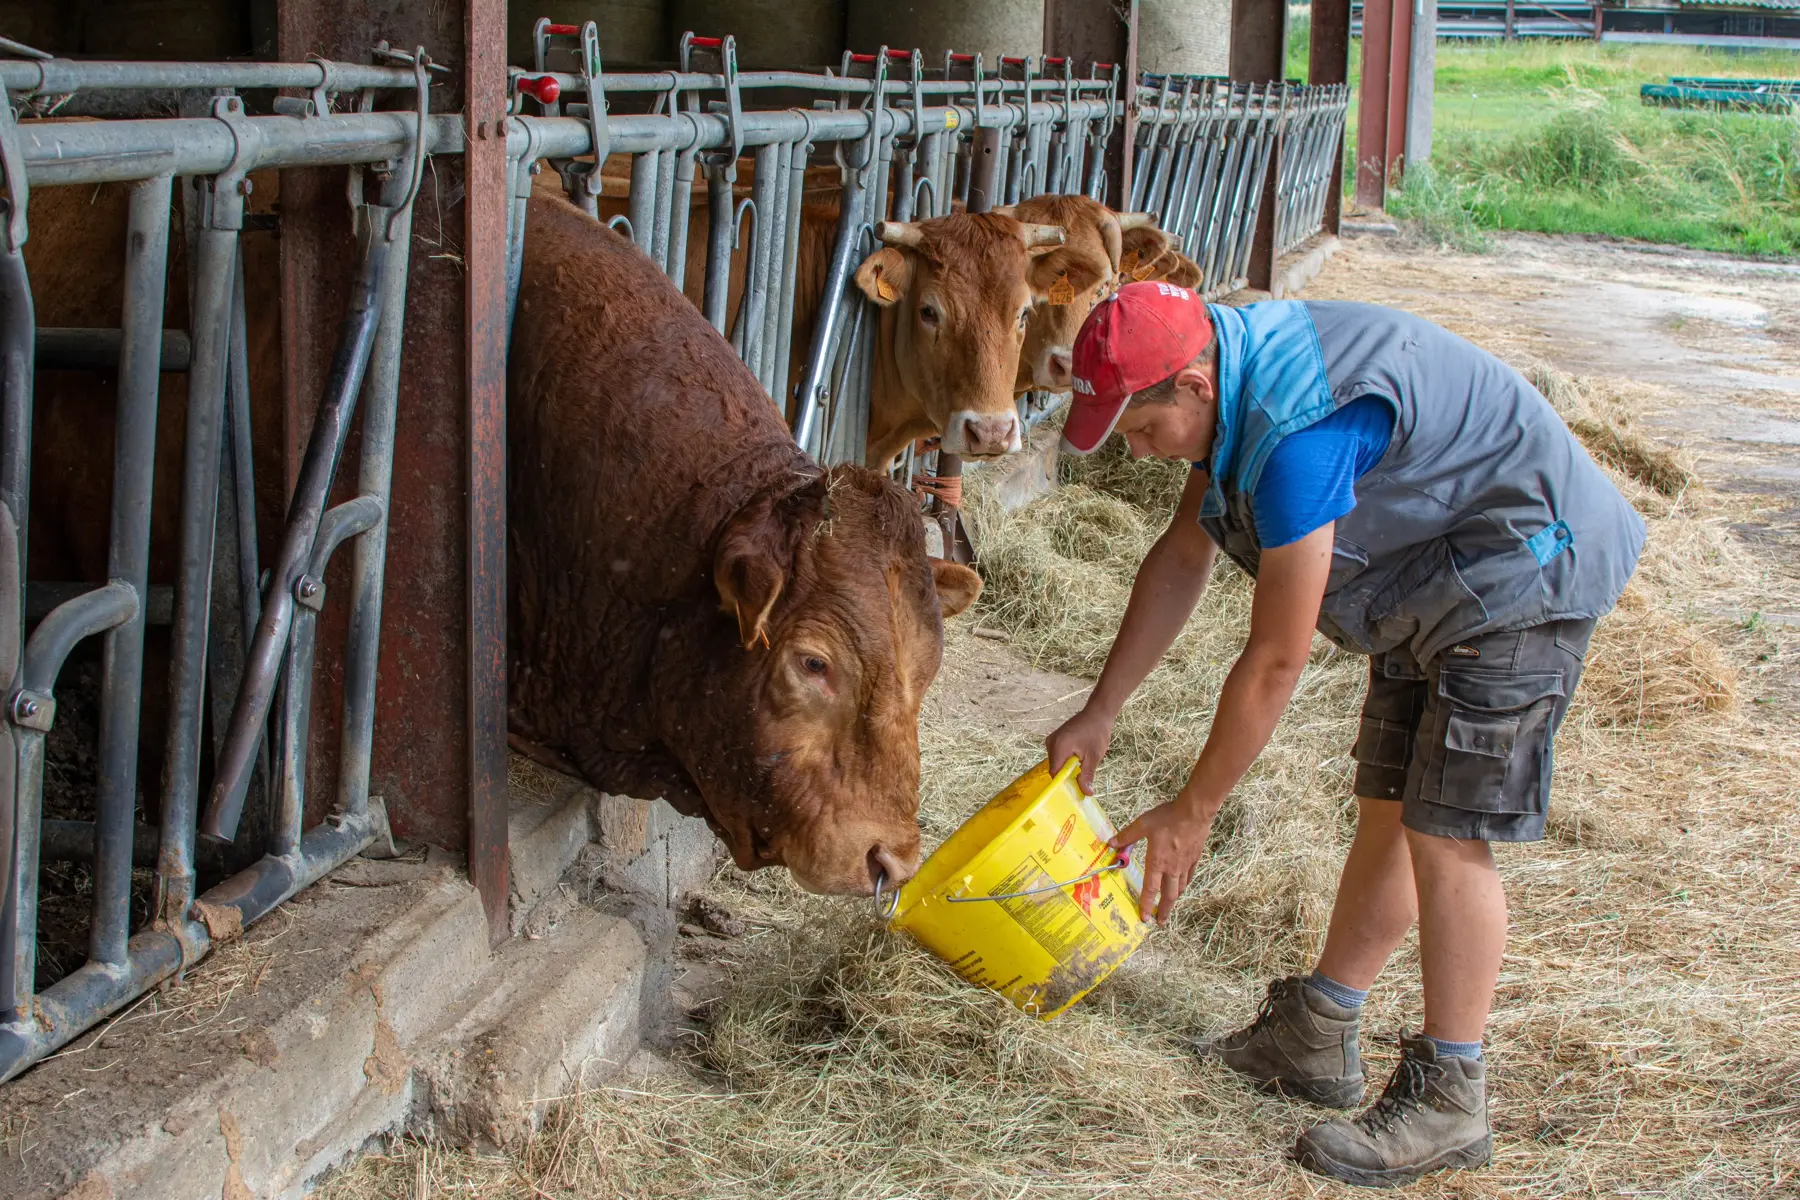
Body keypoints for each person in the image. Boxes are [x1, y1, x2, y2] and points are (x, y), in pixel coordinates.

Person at [1045, 281, 1644, 1187]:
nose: (1137, 450)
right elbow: (1180, 555)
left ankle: (1452, 1096)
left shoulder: (1295, 437)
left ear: (1194, 385)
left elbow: (1276, 659)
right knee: (1391, 805)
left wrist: (1193, 810)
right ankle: (1319, 1035)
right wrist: (1102, 707)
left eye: (1138, 428)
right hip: (1438, 575)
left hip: (1525, 565)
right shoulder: (1234, 376)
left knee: (1449, 832)